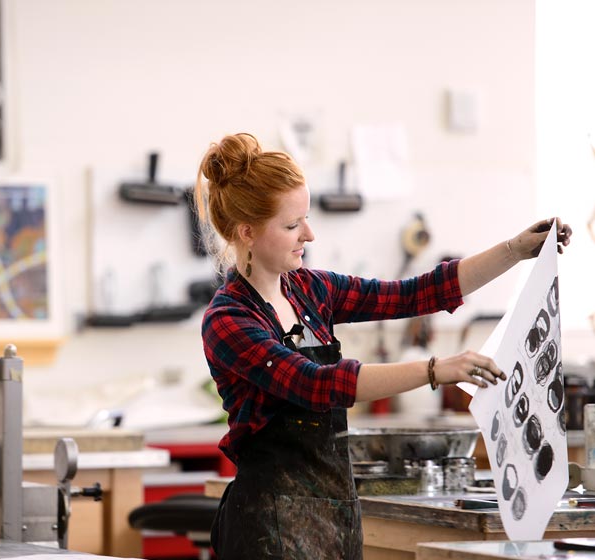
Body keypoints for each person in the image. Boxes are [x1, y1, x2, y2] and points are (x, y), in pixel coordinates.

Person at [193, 132, 572, 560]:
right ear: (247, 231)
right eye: (292, 224)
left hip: (333, 517)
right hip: (265, 526)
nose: (309, 234)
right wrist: (434, 370)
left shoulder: (311, 291)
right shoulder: (229, 320)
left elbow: (416, 293)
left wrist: (514, 250)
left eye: (307, 218)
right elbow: (316, 385)